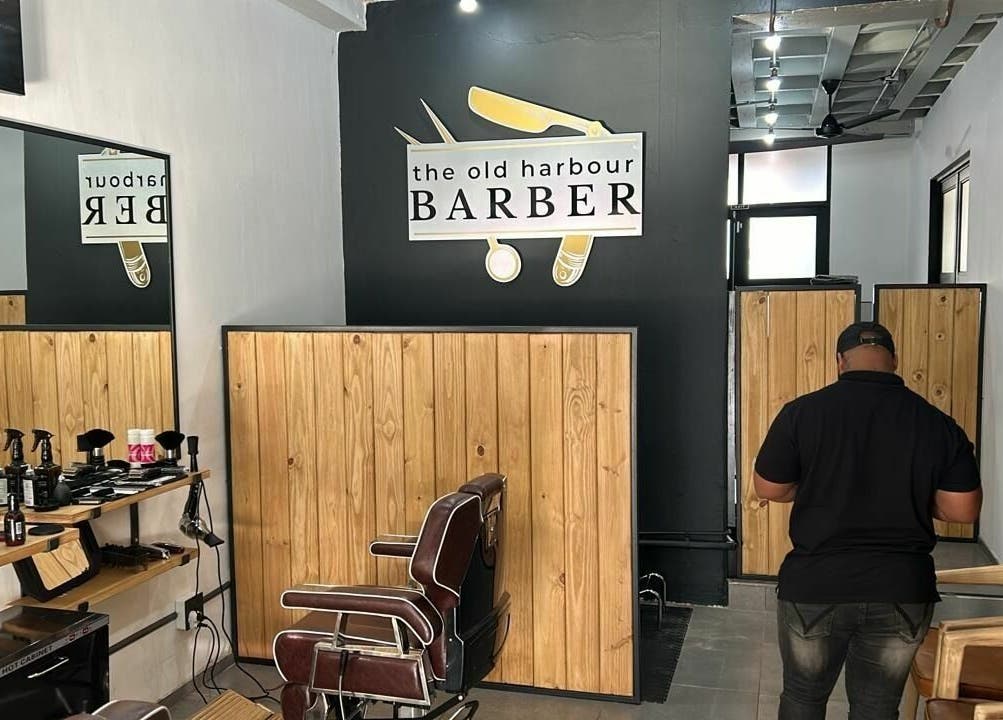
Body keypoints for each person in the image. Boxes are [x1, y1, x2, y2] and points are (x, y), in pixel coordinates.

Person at [754, 321, 982, 720]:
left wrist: (815, 486)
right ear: (894, 360)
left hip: (815, 585)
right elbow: (962, 512)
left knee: (803, 697)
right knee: (877, 705)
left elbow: (769, 488)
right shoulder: (938, 423)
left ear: (840, 361)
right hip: (902, 588)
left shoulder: (802, 413)